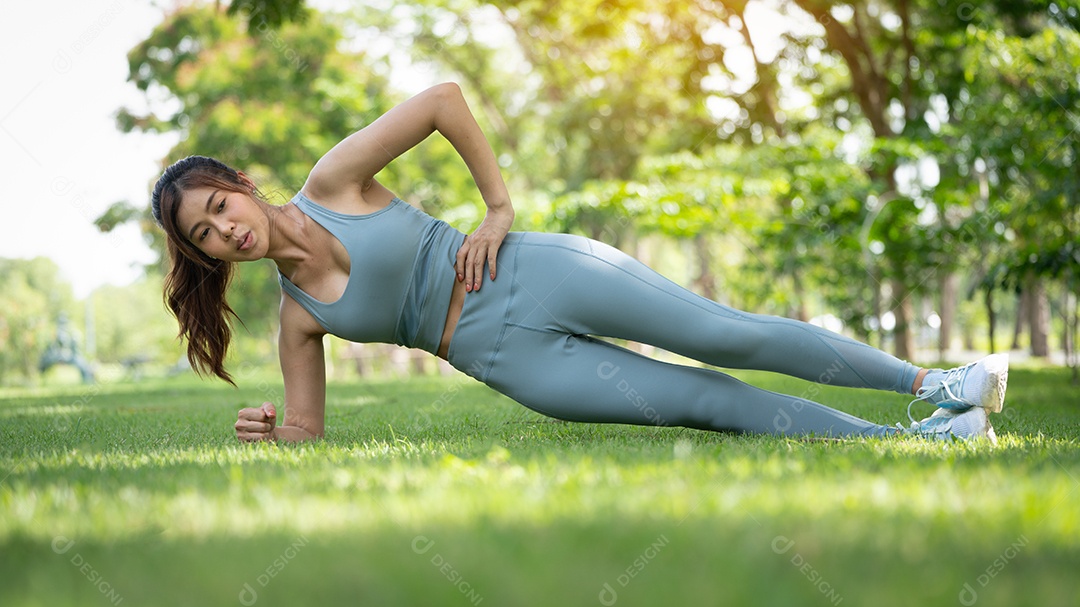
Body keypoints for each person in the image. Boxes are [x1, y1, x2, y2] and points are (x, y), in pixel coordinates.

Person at [149, 82, 1008, 446]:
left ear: (242, 186)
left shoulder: (333, 180)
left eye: (220, 209)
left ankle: (935, 383)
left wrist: (497, 207)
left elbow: (445, 100)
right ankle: (918, 440)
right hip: (505, 359)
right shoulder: (299, 318)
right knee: (702, 403)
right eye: (205, 238)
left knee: (723, 333)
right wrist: (271, 436)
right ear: (207, 258)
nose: (225, 233)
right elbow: (308, 431)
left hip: (531, 271)